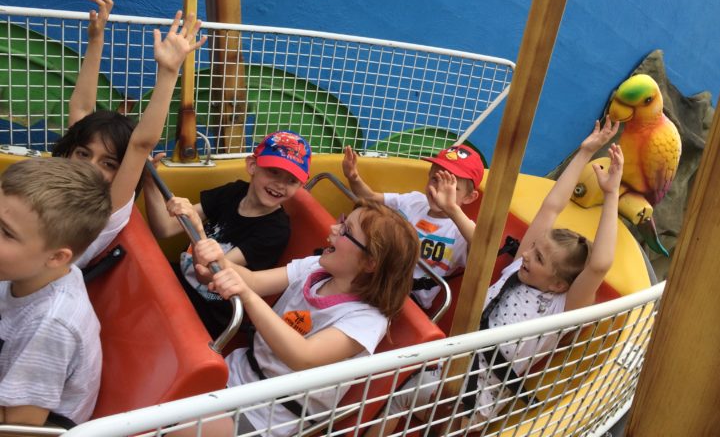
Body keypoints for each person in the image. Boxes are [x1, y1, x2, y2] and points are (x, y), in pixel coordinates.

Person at [367, 118, 624, 435]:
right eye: (533, 249)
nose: (527, 254)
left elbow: (599, 265)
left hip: (477, 398)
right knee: (397, 388)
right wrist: (584, 152)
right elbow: (551, 207)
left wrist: (611, 194)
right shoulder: (518, 268)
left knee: (407, 398)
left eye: (539, 258)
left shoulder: (563, 309)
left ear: (559, 283)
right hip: (447, 370)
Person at [172, 199, 420, 437]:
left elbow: (303, 356)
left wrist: (246, 295)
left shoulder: (367, 319)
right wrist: (206, 244)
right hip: (236, 373)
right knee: (168, 396)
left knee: (178, 426)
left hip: (269, 414)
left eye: (346, 231)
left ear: (370, 263)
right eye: (342, 221)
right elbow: (254, 281)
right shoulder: (316, 268)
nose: (333, 228)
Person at [51, 0, 207, 269]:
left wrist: (169, 71)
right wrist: (96, 39)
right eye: (83, 154)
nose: (90, 166)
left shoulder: (108, 208)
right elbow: (81, 107)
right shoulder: (55, 182)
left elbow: (140, 144)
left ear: (121, 171)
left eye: (108, 164)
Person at [143, 130, 312, 338]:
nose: (280, 185)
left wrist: (197, 228)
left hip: (210, 307)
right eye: (274, 172)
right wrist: (149, 181)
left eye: (291, 180)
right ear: (252, 165)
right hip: (181, 279)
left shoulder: (275, 231)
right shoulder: (234, 192)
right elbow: (164, 228)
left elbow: (206, 275)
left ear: (300, 186)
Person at [0, 158, 112, 429]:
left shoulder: (51, 324)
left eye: (6, 233)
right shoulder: (31, 270)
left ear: (56, 257)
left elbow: (20, 429)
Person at [342, 144, 482, 311]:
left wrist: (450, 207)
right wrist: (354, 177)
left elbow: (484, 247)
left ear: (469, 197)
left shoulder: (461, 231)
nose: (438, 191)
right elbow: (370, 198)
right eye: (435, 179)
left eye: (450, 188)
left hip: (409, 300)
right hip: (378, 277)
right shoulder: (414, 201)